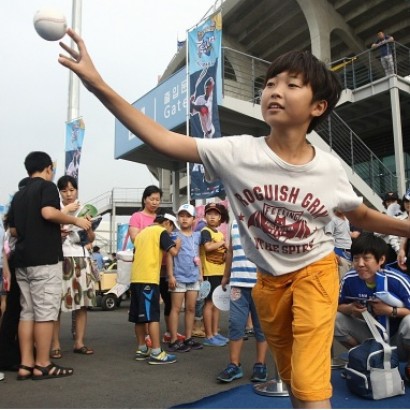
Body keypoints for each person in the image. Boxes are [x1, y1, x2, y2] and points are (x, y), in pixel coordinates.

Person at [59, 31, 410, 407]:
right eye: (270, 83)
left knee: (310, 383)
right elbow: (162, 139)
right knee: (293, 378)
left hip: (316, 272)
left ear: (318, 107)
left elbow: (362, 215)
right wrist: (98, 85)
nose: (275, 90)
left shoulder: (328, 168)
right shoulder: (237, 152)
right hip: (269, 282)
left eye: (292, 84)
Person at [8, 151, 91, 380]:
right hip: (44, 259)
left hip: (23, 260)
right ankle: (43, 364)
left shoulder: (19, 194)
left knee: (27, 312)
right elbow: (47, 212)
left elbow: (13, 229)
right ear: (47, 169)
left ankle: (26, 364)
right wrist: (75, 220)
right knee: (45, 313)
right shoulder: (46, 187)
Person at [334, 233, 410, 383]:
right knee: (333, 319)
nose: (360, 264)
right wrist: (349, 309)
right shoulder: (349, 280)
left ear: (381, 260)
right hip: (371, 335)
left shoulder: (397, 280)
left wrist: (391, 311)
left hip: (398, 339)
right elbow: (336, 305)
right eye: (356, 258)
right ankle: (364, 357)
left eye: (366, 258)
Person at [50, 175, 97, 360]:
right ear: (59, 192)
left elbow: (91, 239)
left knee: (82, 304)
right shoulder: (54, 209)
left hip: (81, 258)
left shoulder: (85, 209)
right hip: (61, 259)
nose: (69, 194)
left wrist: (89, 228)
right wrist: (66, 211)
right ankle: (55, 345)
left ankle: (79, 342)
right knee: (57, 306)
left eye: (72, 190)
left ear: (76, 190)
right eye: (64, 190)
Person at [217, 219, 268, 383]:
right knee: (236, 324)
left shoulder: (266, 222)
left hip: (262, 284)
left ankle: (260, 364)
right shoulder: (233, 224)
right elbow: (230, 251)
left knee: (261, 327)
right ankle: (234, 364)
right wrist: (226, 276)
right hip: (238, 284)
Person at [130, 212, 180, 365]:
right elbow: (173, 252)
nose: (171, 232)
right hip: (149, 279)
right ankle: (157, 352)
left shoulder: (142, 233)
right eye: (172, 228)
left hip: (136, 278)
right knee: (152, 316)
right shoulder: (160, 231)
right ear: (167, 223)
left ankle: (142, 348)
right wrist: (177, 242)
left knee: (139, 317)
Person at [0, 177, 30, 372]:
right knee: (16, 312)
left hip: (16, 263)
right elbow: (8, 247)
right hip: (18, 263)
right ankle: (9, 356)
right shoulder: (18, 216)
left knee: (19, 312)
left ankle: (17, 354)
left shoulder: (14, 212)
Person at [167, 204, 203, 352]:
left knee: (191, 308)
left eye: (188, 216)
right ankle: (174, 339)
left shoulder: (198, 236)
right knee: (175, 309)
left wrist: (200, 274)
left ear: (194, 219)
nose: (184, 219)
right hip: (178, 276)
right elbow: (169, 256)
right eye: (181, 215)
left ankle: (188, 338)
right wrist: (170, 276)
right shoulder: (174, 235)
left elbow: (198, 255)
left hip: (193, 277)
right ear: (178, 218)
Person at [200, 202, 229, 347]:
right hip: (209, 273)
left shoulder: (219, 233)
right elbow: (208, 247)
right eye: (209, 214)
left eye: (215, 214)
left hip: (220, 272)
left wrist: (227, 250)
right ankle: (208, 335)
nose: (212, 217)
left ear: (220, 218)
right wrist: (222, 243)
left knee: (217, 304)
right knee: (209, 303)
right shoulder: (205, 231)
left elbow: (223, 255)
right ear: (205, 216)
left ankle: (215, 333)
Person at [324, 209, 352, 280]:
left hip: (350, 254)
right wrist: (334, 254)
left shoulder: (346, 219)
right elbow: (327, 239)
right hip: (339, 253)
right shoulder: (332, 220)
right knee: (340, 281)